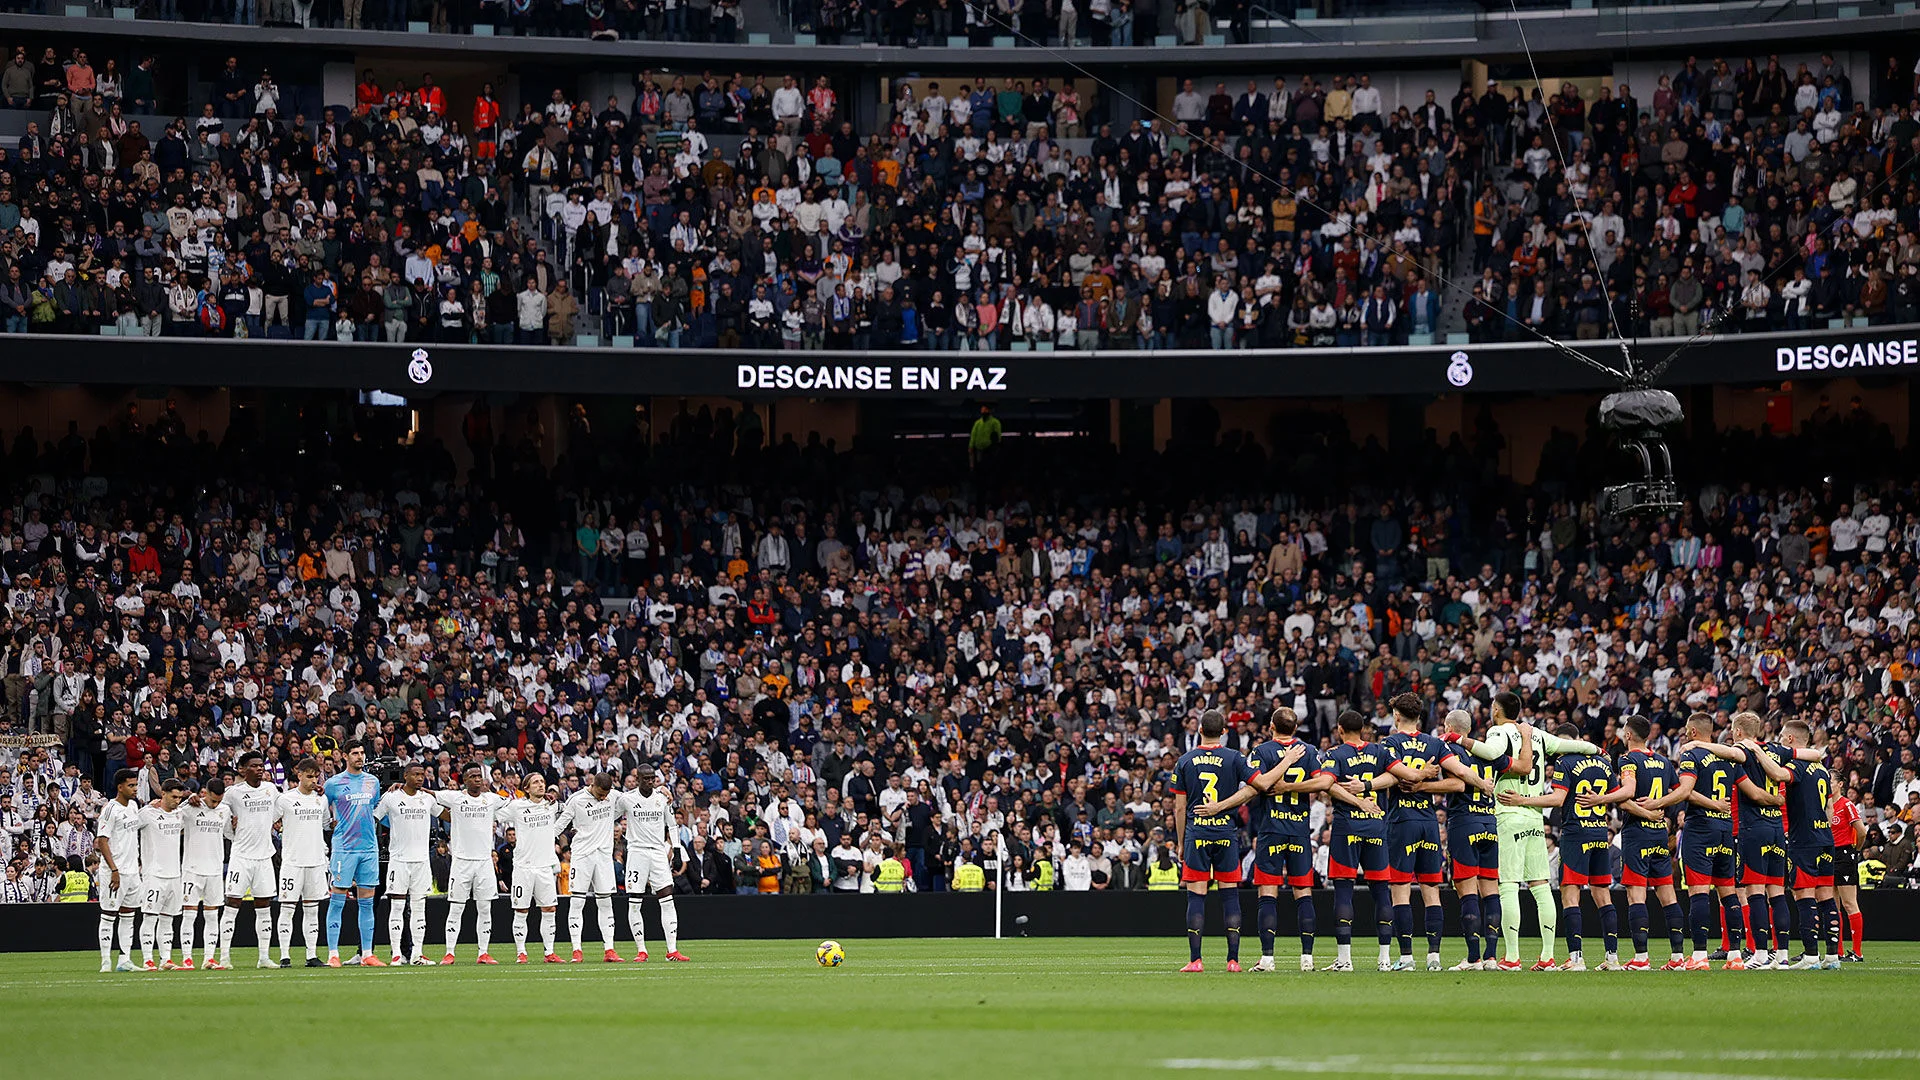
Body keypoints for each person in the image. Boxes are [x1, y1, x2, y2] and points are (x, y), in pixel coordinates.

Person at [1457, 692, 1600, 971]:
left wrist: (1460, 739)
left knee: (1508, 885)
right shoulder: (1536, 734)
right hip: (1535, 817)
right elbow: (1569, 745)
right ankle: (1547, 956)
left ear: (1497, 709)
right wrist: (1597, 750)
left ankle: (1512, 957)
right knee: (1540, 885)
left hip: (1508, 813)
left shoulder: (1498, 731)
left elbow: (1491, 753)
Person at [1190, 705, 1316, 971]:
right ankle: (1307, 959)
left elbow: (1252, 790)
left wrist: (1219, 806)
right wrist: (1295, 786)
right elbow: (1327, 783)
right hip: (1300, 830)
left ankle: (1268, 958)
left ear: (1271, 726)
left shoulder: (1261, 752)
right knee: (1303, 892)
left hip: (1271, 830)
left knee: (1267, 893)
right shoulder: (1308, 751)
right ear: (1295, 728)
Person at [1317, 708, 1435, 972]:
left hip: (1347, 827)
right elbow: (1400, 775)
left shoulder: (1335, 754)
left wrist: (1356, 798)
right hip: (1377, 827)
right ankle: (1384, 959)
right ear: (1364, 729)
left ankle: (1345, 960)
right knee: (1382, 891)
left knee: (1344, 889)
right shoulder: (1381, 751)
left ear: (1339, 729)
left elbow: (1326, 782)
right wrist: (1423, 772)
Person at [1685, 712, 1804, 969]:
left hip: (1753, 829)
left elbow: (1737, 761)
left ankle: (1759, 953)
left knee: (1754, 893)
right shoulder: (1776, 750)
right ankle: (1781, 954)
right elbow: (1815, 755)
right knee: (1777, 894)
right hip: (1777, 829)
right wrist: (1778, 800)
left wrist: (1699, 744)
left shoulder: (1742, 750)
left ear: (1738, 732)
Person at [1505, 724, 1619, 972]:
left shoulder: (1565, 763)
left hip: (1576, 833)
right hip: (1600, 832)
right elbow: (1618, 796)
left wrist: (1522, 800)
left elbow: (1557, 800)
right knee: (1603, 897)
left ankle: (1576, 959)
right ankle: (1612, 957)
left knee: (1570, 896)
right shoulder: (1603, 763)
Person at [1579, 716, 1687, 970]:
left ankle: (1640, 958)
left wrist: (1601, 798)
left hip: (1638, 835)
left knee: (1635, 895)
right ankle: (1678, 957)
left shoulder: (1628, 760)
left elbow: (1627, 794)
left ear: (1628, 735)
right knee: (1668, 895)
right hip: (1660, 834)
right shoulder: (1662, 761)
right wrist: (1657, 808)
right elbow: (1678, 792)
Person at [1380, 692, 1461, 972]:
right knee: (1431, 891)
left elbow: (1399, 775)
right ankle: (1434, 957)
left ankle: (1406, 958)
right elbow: (1458, 783)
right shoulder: (1435, 744)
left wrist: (1419, 779)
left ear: (1397, 716)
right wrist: (1427, 776)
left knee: (1400, 891)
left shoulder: (1389, 743)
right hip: (1429, 823)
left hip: (1402, 821)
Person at [1658, 712, 1746, 968]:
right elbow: (1750, 789)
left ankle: (1699, 956)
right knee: (1728, 893)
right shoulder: (1728, 756)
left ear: (1694, 731)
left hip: (1700, 828)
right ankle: (1736, 956)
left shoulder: (1691, 753)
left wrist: (1658, 803)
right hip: (1725, 830)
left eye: (1687, 729)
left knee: (1698, 892)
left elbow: (1685, 791)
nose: (1685, 733)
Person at [1170, 708, 1253, 972]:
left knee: (1196, 896)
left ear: (1200, 731)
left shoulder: (1184, 760)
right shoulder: (1235, 758)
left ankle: (1195, 960)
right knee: (1230, 896)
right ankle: (1233, 961)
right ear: (1225, 732)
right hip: (1226, 833)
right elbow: (1255, 787)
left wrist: (1181, 842)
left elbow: (1179, 808)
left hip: (1197, 833)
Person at [1441, 709, 1505, 970]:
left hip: (1463, 823)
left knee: (1467, 892)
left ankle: (1473, 958)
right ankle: (1491, 956)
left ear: (1449, 727)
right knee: (1491, 892)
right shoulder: (1487, 751)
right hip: (1489, 823)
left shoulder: (1450, 749)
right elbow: (1520, 767)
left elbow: (1455, 784)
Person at [1776, 719, 1841, 969]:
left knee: (1804, 896)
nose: (1781, 740)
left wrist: (1760, 755)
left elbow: (1782, 775)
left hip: (1804, 840)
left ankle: (1811, 955)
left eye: (1782, 737)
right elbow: (1827, 807)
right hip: (1825, 838)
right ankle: (1832, 957)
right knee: (1826, 896)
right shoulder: (1822, 769)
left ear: (1791, 740)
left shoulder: (1798, 765)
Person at [435, 764, 506, 965]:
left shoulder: (491, 799)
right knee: (456, 908)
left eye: (479, 776)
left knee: (485, 909)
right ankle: (449, 953)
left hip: (484, 862)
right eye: (472, 776)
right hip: (461, 862)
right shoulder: (454, 797)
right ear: (464, 780)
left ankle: (483, 953)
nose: (477, 779)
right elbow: (427, 793)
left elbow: (514, 804)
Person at [322, 742, 385, 967]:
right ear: (345, 756)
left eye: (362, 753)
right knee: (337, 901)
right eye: (355, 753)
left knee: (367, 903)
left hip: (369, 848)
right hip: (344, 849)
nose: (360, 757)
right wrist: (331, 826)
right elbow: (322, 812)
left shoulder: (373, 782)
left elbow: (376, 810)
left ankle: (367, 954)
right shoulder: (333, 784)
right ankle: (333, 954)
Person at [619, 764, 690, 962]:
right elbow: (608, 813)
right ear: (638, 778)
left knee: (667, 899)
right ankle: (641, 950)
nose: (651, 781)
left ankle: (672, 950)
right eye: (646, 778)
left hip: (658, 852)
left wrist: (676, 849)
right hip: (637, 853)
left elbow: (672, 824)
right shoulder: (627, 799)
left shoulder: (662, 798)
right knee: (635, 902)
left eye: (653, 778)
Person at [219, 750, 281, 970]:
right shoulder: (233, 793)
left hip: (265, 857)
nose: (259, 769)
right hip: (241, 857)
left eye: (261, 765)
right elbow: (220, 815)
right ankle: (224, 957)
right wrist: (231, 830)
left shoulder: (271, 790)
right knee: (232, 904)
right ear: (243, 770)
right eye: (254, 766)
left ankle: (264, 957)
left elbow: (280, 811)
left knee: (264, 905)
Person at [375, 762, 439, 965]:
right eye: (416, 774)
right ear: (405, 776)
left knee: (419, 909)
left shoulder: (427, 799)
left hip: (421, 862)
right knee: (397, 907)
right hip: (398, 861)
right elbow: (373, 817)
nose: (420, 778)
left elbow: (445, 814)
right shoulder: (391, 797)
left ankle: (417, 954)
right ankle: (396, 954)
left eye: (423, 774)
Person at [558, 771, 623, 962]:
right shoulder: (576, 799)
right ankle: (577, 950)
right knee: (577, 902)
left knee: (606, 902)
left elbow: (631, 799)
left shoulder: (613, 796)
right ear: (592, 784)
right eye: (600, 793)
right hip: (582, 856)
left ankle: (609, 949)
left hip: (603, 858)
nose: (603, 798)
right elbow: (560, 824)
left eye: (606, 794)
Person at [500, 772, 563, 963]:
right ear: (526, 788)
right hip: (523, 867)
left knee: (549, 909)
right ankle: (521, 952)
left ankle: (549, 952)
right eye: (535, 782)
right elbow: (494, 813)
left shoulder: (550, 805)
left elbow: (569, 811)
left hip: (545, 866)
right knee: (521, 911)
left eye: (542, 782)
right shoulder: (517, 806)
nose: (541, 785)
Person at [273, 758, 330, 968]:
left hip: (315, 862)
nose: (313, 780)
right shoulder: (285, 799)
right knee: (287, 909)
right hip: (293, 862)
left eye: (316, 776)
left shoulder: (321, 800)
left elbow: (325, 825)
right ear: (299, 775)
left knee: (312, 910)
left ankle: (312, 955)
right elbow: (270, 821)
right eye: (309, 776)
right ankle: (284, 956)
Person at [136, 778, 187, 970]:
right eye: (174, 797)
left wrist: (191, 799)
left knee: (168, 919)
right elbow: (128, 825)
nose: (177, 801)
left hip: (174, 874)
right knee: (150, 917)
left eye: (180, 797)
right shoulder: (148, 814)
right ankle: (148, 959)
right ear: (162, 794)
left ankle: (166, 959)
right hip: (154, 875)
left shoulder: (179, 814)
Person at [96, 767, 143, 973]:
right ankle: (106, 962)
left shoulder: (133, 806)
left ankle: (125, 959)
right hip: (115, 872)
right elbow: (102, 841)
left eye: (136, 785)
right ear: (120, 787)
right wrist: (113, 869)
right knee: (108, 915)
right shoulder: (110, 809)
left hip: (133, 871)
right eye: (131, 785)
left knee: (128, 916)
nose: (134, 789)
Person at [178, 779, 228, 969]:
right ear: (205, 793)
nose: (215, 805)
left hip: (215, 870)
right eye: (213, 801)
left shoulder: (224, 811)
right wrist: (186, 799)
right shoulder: (191, 808)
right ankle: (187, 958)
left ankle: (209, 958)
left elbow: (231, 833)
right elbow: (173, 817)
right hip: (192, 869)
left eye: (219, 801)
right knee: (189, 915)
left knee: (212, 916)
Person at [1830, 785, 1866, 961]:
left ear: (1839, 785)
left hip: (1844, 854)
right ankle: (1838, 951)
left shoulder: (1846, 805)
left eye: (1831, 781)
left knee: (1849, 903)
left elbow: (1862, 831)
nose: (1828, 785)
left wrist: (1855, 850)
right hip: (1828, 855)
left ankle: (1857, 952)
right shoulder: (1826, 805)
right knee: (1832, 905)